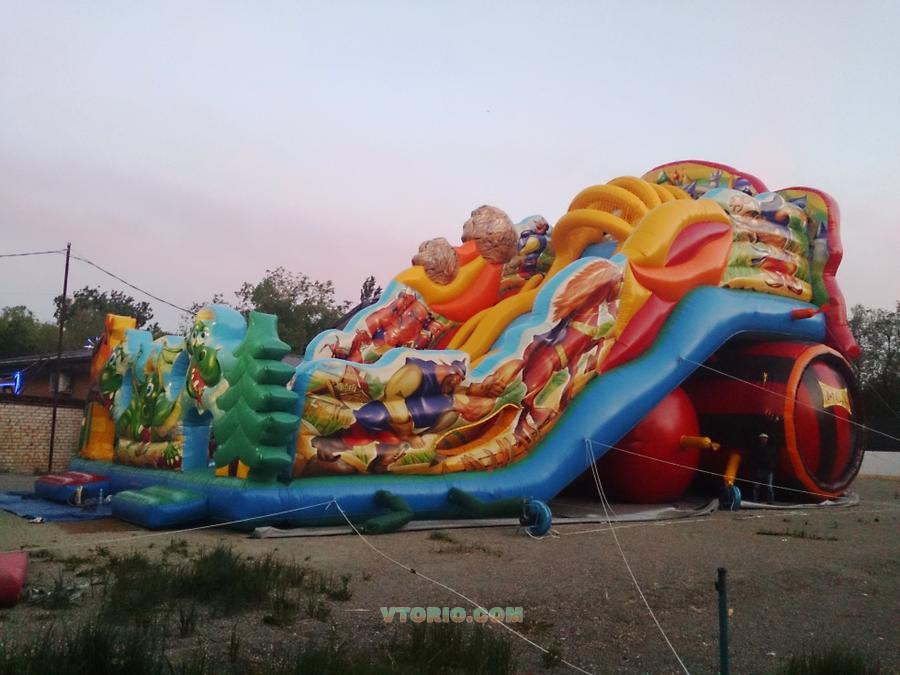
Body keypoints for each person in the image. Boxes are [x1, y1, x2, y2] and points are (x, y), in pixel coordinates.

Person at [752, 432, 777, 504]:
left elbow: (773, 458)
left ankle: (771, 501)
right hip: (759, 470)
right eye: (762, 438)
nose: (763, 439)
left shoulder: (771, 448)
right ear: (760, 439)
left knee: (769, 487)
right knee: (756, 487)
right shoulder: (756, 448)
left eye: (765, 438)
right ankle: (755, 501)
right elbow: (754, 458)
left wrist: (771, 467)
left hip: (768, 470)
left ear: (767, 439)